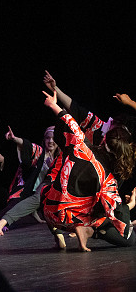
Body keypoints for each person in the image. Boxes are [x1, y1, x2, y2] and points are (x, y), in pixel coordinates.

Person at [41, 90, 136, 251]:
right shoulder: (109, 182)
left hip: (48, 210)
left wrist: (52, 104)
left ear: (105, 138)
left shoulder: (81, 143)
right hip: (70, 220)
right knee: (129, 239)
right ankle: (88, 231)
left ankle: (79, 227)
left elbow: (68, 120)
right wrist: (132, 204)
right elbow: (122, 226)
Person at [0, 126, 60, 236]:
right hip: (26, 188)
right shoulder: (39, 151)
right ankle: (1, 222)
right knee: (15, 204)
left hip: (43, 193)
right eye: (48, 138)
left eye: (53, 138)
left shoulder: (59, 158)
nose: (50, 141)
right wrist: (15, 139)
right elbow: (27, 145)